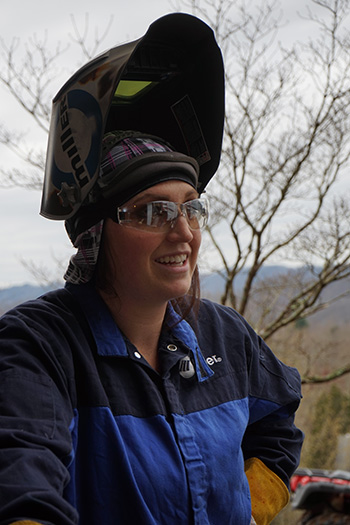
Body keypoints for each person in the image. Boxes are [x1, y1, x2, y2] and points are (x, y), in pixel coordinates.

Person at [0, 13, 303, 525]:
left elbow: (278, 423)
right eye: (153, 211)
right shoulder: (39, 348)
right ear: (97, 233)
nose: (183, 231)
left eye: (191, 206)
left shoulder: (226, 338)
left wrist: (250, 507)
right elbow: (22, 490)